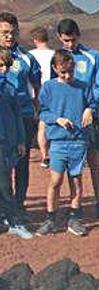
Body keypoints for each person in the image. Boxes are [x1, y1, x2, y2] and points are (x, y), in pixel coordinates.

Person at [54, 19, 99, 220]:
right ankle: (74, 204)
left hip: (88, 117)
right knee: (70, 165)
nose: (70, 44)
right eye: (66, 40)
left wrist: (90, 107)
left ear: (79, 35)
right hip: (65, 121)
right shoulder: (57, 58)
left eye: (73, 39)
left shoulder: (92, 57)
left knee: (94, 160)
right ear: (59, 38)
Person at [35, 50, 93, 237]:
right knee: (55, 180)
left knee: (76, 180)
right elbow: (42, 112)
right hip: (58, 141)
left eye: (70, 72)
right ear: (55, 69)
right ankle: (50, 218)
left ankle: (74, 218)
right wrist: (57, 119)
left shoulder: (82, 87)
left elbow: (92, 104)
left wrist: (89, 110)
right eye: (63, 73)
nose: (67, 76)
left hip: (78, 140)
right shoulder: (48, 87)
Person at [0, 12, 40, 214]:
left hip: (22, 117)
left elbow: (37, 84)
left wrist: (36, 108)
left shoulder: (27, 58)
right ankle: (4, 208)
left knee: (21, 163)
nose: (9, 36)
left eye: (13, 32)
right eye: (5, 32)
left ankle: (19, 204)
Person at [0, 47, 31, 239]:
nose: (4, 69)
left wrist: (21, 140)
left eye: (6, 66)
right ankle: (13, 221)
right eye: (0, 65)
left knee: (5, 181)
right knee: (3, 184)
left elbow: (18, 116)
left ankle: (10, 220)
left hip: (9, 142)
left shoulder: (10, 89)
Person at [28, 26, 53, 170]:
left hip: (34, 93)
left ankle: (44, 155)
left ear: (35, 39)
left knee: (41, 126)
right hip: (52, 93)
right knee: (49, 124)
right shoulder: (55, 54)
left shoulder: (29, 55)